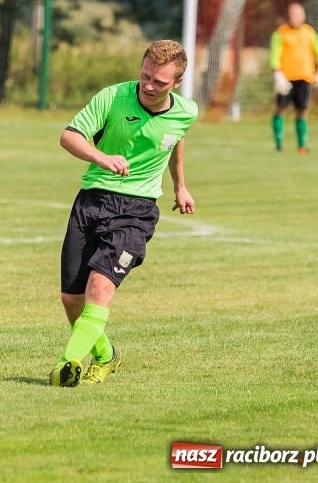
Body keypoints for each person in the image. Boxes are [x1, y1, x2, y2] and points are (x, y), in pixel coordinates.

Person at [49, 40, 197, 388]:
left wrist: (180, 186)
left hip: (137, 211)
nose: (148, 86)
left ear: (176, 83)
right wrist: (102, 157)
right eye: (145, 76)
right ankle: (105, 355)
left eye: (159, 82)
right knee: (71, 298)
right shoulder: (112, 97)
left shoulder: (186, 111)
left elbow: (176, 138)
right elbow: (69, 136)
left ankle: (67, 362)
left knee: (99, 287)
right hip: (92, 200)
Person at [270, 3, 318, 154]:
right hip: (286, 79)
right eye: (291, 14)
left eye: (297, 14)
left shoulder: (310, 32)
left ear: (303, 16)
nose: (294, 17)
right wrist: (277, 73)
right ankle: (278, 145)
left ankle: (302, 146)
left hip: (304, 78)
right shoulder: (281, 33)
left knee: (302, 110)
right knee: (280, 109)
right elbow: (275, 54)